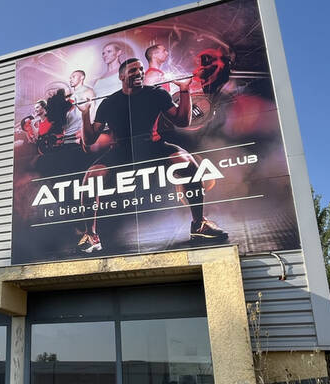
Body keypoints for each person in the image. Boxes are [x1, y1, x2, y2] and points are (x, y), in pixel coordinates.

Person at [77, 58, 230, 253]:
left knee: (187, 163)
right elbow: (89, 140)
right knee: (91, 178)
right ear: (122, 76)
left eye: (141, 69)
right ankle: (91, 235)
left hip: (154, 146)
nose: (139, 73)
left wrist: (184, 90)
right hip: (121, 152)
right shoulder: (109, 102)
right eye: (133, 70)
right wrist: (85, 113)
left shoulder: (157, 94)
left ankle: (199, 224)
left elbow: (182, 121)